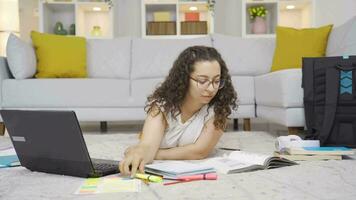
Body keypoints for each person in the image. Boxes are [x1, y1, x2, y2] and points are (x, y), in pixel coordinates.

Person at [119, 46, 238, 176]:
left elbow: (199, 151)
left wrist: (155, 154)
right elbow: (147, 145)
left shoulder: (219, 109)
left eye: (216, 81)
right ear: (185, 79)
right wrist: (140, 152)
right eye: (203, 81)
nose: (211, 89)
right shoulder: (163, 106)